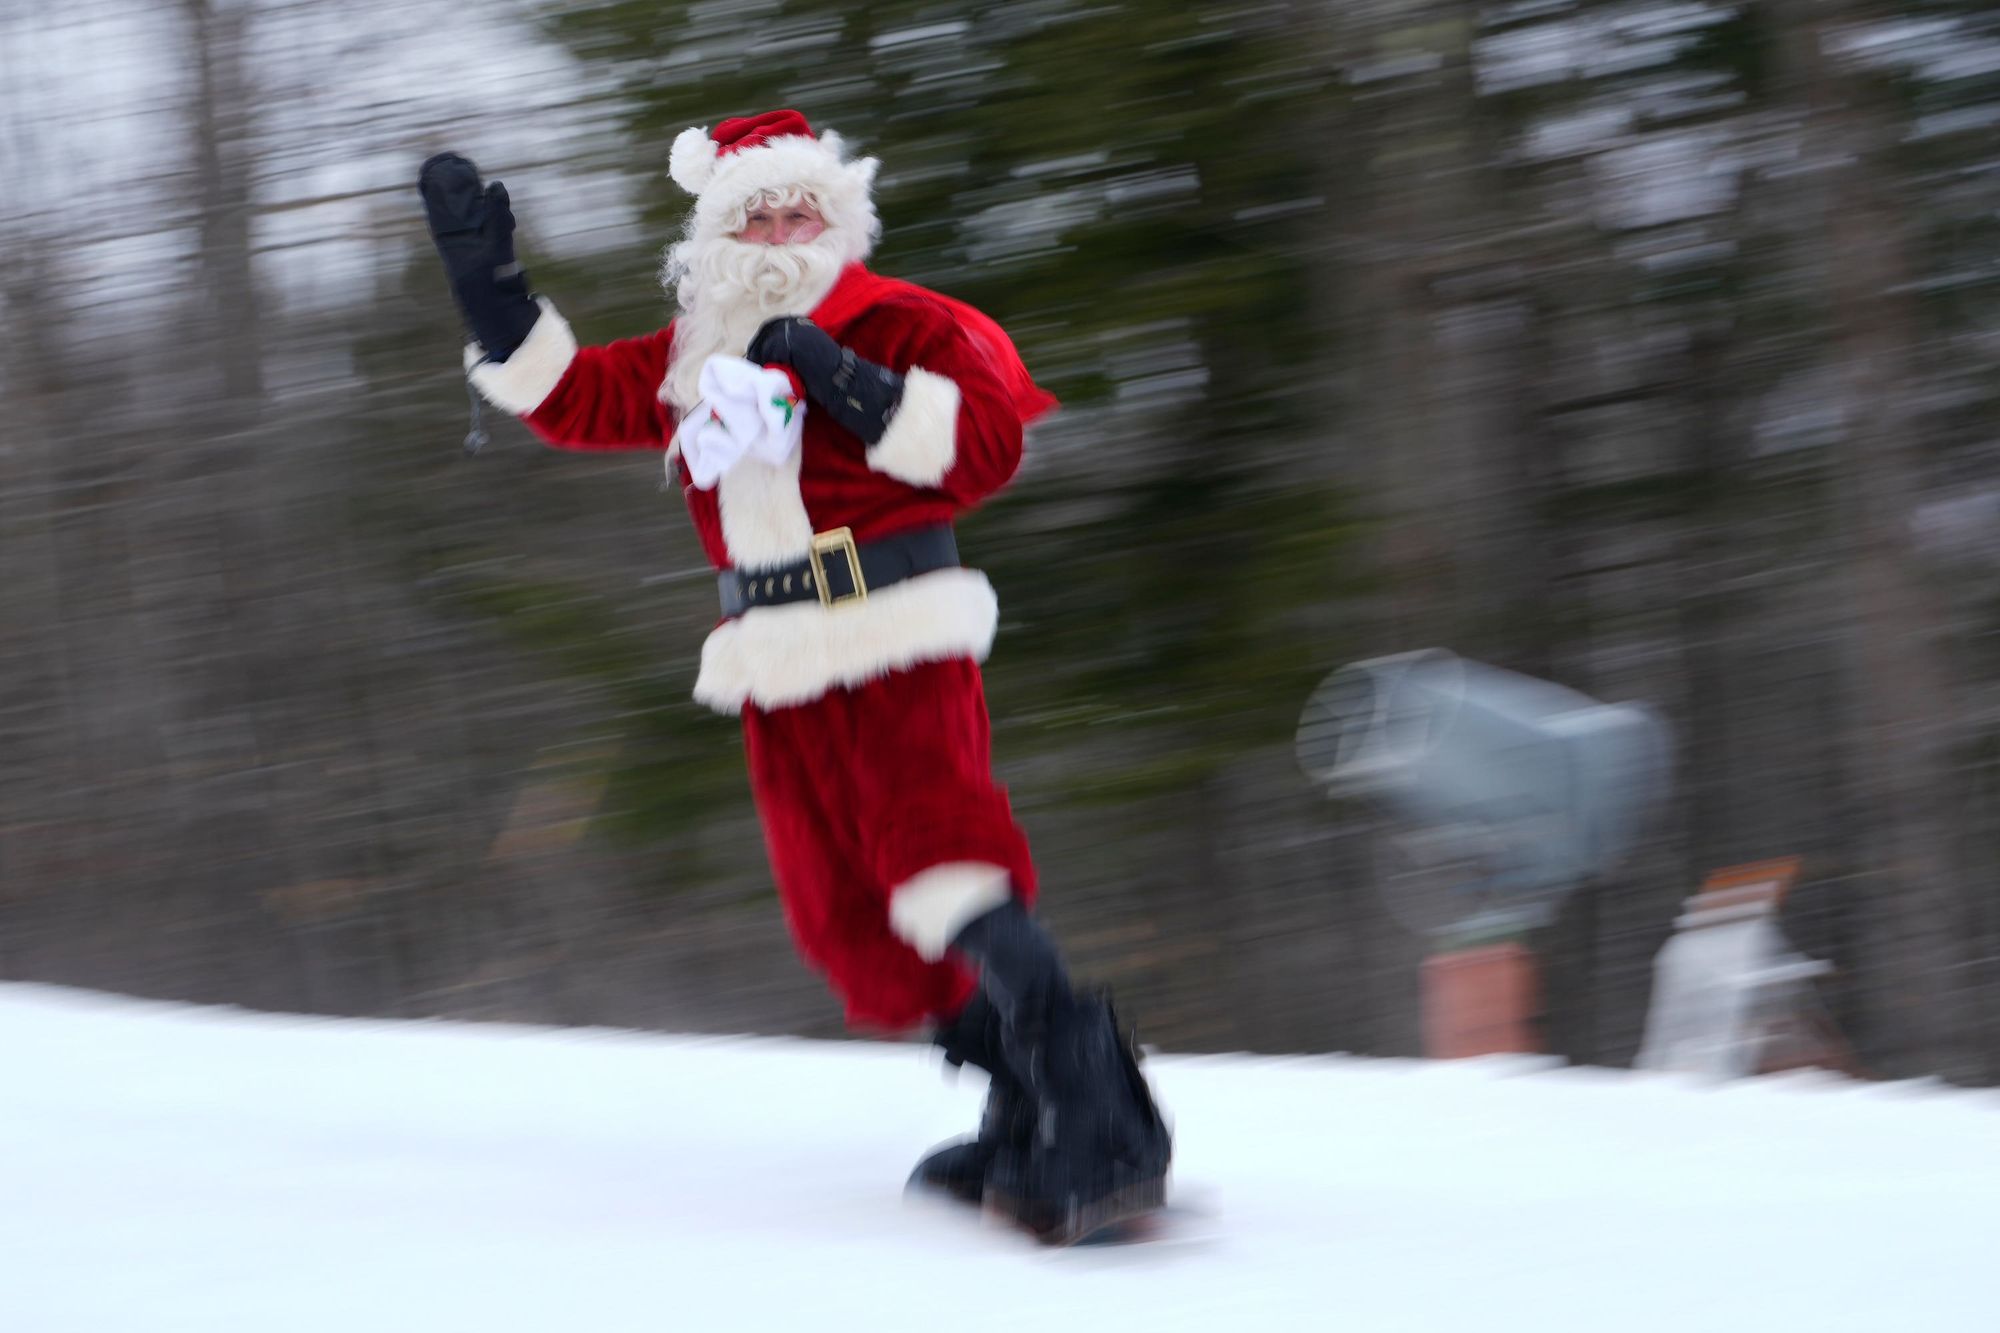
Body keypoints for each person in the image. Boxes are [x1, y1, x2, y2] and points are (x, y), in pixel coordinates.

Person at [418, 110, 1170, 1242]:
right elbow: (573, 401)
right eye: (753, 213)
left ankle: (1104, 1124)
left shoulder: (899, 319)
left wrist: (837, 373)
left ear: (835, 217)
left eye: (797, 208)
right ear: (718, 233)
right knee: (848, 914)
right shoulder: (694, 351)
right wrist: (493, 292)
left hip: (896, 624)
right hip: (773, 656)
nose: (777, 228)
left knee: (940, 861)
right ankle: (1022, 1099)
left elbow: (983, 447)